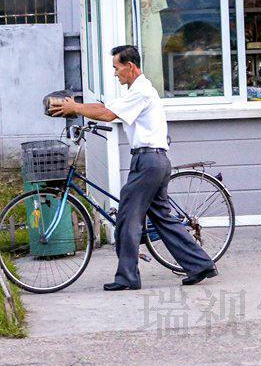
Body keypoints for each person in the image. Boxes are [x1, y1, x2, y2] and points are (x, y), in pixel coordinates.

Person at [50, 45, 217, 291]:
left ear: (130, 66)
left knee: (127, 217)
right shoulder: (136, 91)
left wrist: (75, 108)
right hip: (153, 160)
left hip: (148, 162)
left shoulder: (141, 92)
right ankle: (201, 264)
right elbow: (107, 109)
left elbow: (107, 115)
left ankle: (127, 276)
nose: (115, 74)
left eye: (117, 68)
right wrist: (79, 105)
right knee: (162, 218)